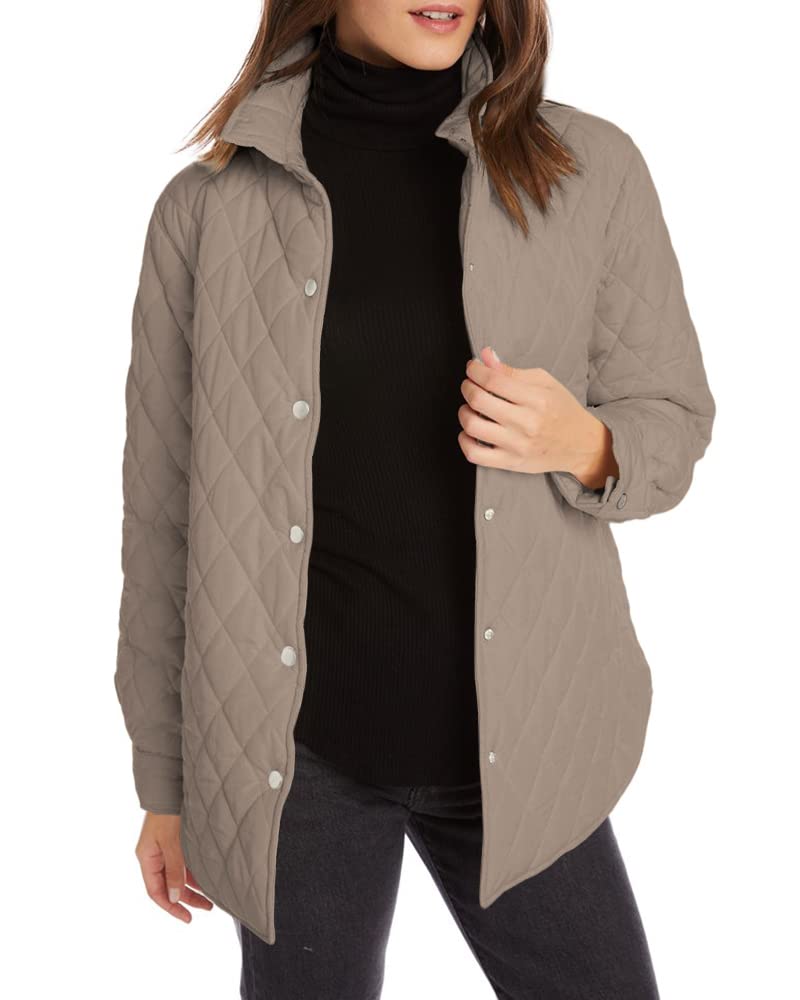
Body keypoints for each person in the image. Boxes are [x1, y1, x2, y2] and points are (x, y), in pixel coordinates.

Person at [114, 2, 715, 997]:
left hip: (528, 741)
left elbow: (673, 419)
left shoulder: (587, 168)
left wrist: (585, 443)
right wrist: (166, 780)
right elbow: (162, 514)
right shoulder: (209, 209)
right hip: (293, 759)